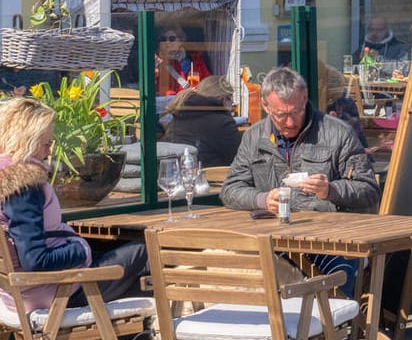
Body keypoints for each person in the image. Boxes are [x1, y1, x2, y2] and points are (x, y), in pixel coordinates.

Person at [0, 97, 146, 311]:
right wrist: (81, 250)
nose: (49, 151)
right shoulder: (22, 189)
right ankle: (155, 338)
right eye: (46, 143)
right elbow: (35, 260)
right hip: (53, 292)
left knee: (118, 252)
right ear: (27, 141)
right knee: (145, 251)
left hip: (23, 291)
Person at [222, 67, 379, 294]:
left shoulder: (337, 133)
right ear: (266, 107)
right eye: (280, 114)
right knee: (233, 270)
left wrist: (330, 190)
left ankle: (335, 326)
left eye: (296, 111)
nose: (289, 122)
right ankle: (279, 326)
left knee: (338, 283)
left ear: (305, 99)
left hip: (328, 240)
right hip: (272, 241)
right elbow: (230, 189)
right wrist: (262, 199)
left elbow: (368, 189)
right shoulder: (253, 137)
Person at [163, 75, 242, 167]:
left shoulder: (181, 112)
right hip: (210, 178)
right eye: (230, 98)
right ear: (224, 99)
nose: (232, 104)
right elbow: (239, 156)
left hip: (177, 172)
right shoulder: (222, 122)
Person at [155, 26, 209, 96]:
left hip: (192, 99)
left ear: (180, 41)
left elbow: (207, 81)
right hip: (170, 100)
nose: (167, 42)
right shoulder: (158, 61)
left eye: (172, 39)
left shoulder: (194, 59)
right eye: (164, 39)